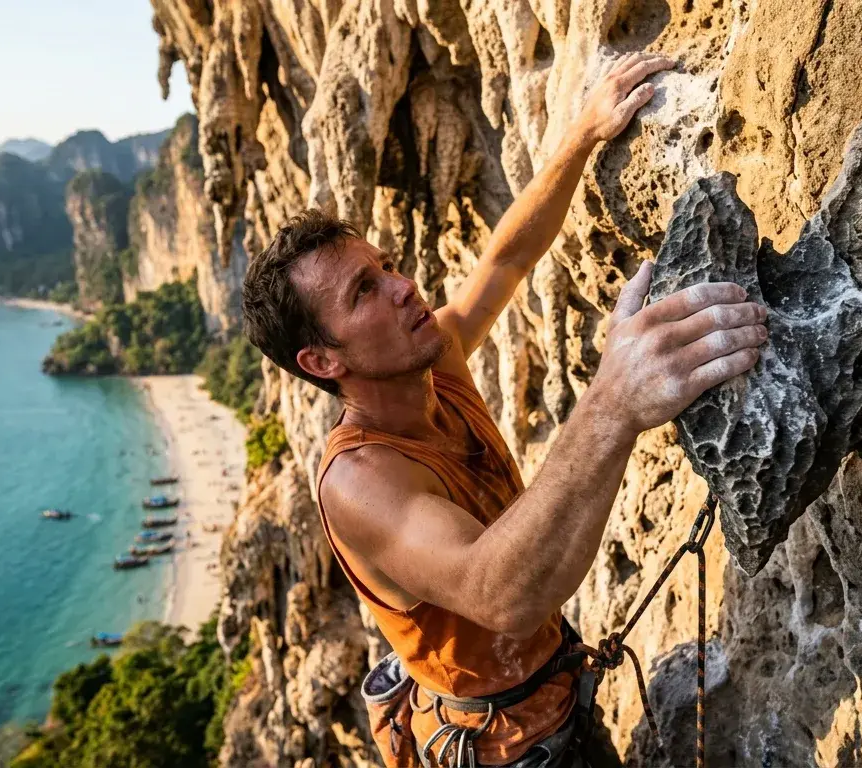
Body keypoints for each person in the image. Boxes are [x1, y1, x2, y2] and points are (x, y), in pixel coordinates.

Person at [241, 52, 767, 768]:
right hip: (503, 750)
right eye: (365, 291)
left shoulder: (433, 360)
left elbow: (505, 261)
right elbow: (501, 592)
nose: (402, 286)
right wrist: (614, 403)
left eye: (388, 265)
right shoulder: (361, 482)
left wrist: (582, 134)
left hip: (547, 692)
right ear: (323, 362)